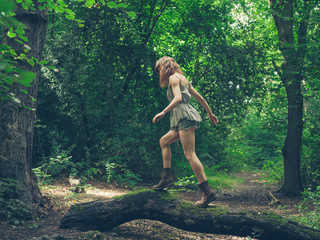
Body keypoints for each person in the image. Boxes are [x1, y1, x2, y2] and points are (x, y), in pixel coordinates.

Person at [152, 56, 218, 207]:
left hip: (184, 117)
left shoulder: (174, 79)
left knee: (190, 154)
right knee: (164, 141)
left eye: (159, 69)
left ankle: (207, 191)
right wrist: (210, 113)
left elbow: (178, 99)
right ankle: (166, 177)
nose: (159, 73)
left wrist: (163, 112)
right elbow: (201, 99)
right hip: (184, 118)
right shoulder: (183, 78)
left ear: (164, 67)